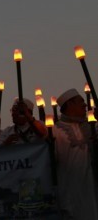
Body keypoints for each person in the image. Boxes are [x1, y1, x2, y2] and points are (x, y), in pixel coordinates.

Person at [54, 88, 98, 218]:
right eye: (81, 102)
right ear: (70, 104)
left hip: (92, 187)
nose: (85, 105)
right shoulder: (56, 130)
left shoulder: (92, 127)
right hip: (69, 190)